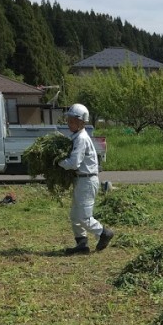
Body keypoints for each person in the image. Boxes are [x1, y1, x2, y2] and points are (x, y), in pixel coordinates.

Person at [58, 103, 114, 255]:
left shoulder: (81, 138)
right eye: (68, 120)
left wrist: (58, 162)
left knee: (83, 217)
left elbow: (74, 162)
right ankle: (81, 244)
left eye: (72, 121)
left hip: (87, 181)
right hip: (81, 180)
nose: (69, 123)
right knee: (75, 215)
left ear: (82, 122)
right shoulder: (76, 137)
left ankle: (104, 233)